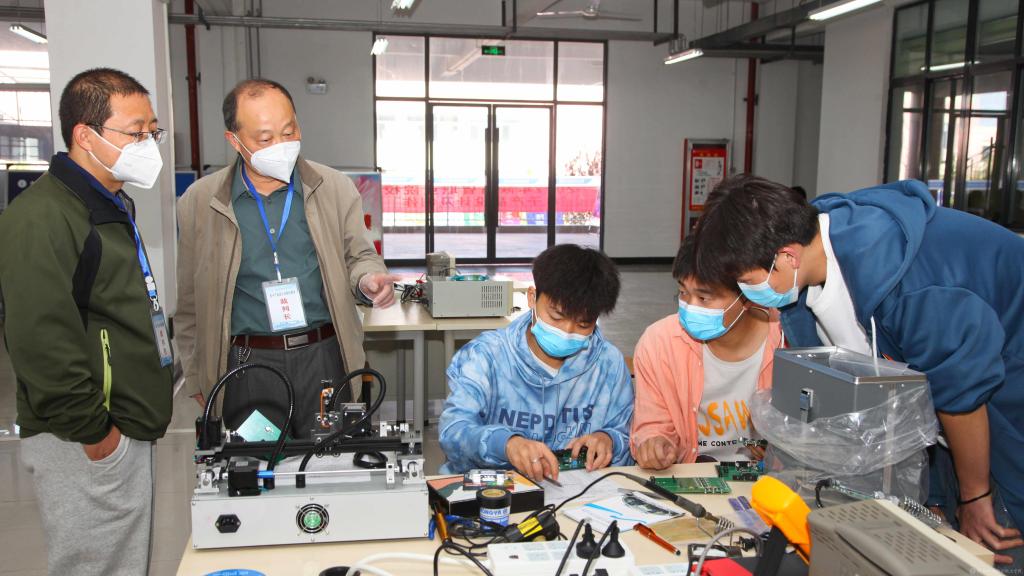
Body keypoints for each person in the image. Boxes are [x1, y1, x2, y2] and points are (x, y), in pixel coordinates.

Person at [691, 174, 1024, 568]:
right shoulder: (812, 269)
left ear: (787, 257)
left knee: (992, 547)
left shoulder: (909, 283)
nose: (747, 296)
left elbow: (961, 394)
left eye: (748, 282)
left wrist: (975, 497)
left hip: (1004, 412)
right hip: (945, 426)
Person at [0, 68, 173, 575]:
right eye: (136, 132)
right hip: (84, 437)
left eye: (153, 132)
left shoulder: (107, 203)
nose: (149, 144)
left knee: (123, 563)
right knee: (96, 566)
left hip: (122, 424)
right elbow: (40, 341)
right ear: (85, 135)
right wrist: (96, 434)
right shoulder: (43, 217)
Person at [175, 78, 399, 438]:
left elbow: (359, 255)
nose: (281, 145)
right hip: (247, 366)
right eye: (265, 139)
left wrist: (367, 279)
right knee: (258, 463)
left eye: (289, 131)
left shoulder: (333, 188)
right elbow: (189, 301)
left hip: (323, 357)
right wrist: (196, 374)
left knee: (329, 461)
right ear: (234, 140)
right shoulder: (201, 202)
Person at [439, 244, 634, 480]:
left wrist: (608, 440)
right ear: (532, 297)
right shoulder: (486, 356)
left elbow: (627, 434)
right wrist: (506, 444)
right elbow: (454, 431)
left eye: (583, 324)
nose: (567, 331)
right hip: (496, 491)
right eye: (556, 316)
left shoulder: (608, 364)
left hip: (580, 491)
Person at [631, 236, 783, 470]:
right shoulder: (659, 343)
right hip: (692, 475)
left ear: (746, 295)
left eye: (704, 298)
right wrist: (654, 443)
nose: (690, 306)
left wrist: (779, 447)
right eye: (683, 293)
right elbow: (652, 426)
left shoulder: (786, 342)